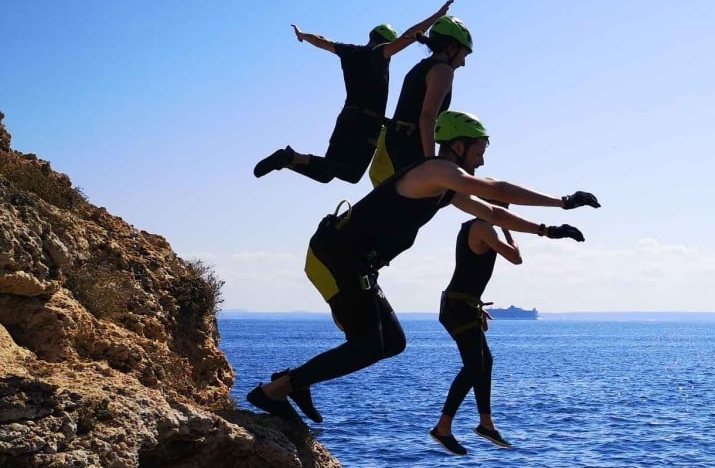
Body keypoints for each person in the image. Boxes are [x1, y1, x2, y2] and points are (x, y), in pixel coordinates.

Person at [245, 110, 600, 425]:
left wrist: (547, 230)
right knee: (370, 343)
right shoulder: (435, 170)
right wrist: (563, 202)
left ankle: (290, 383)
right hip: (335, 255)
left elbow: (491, 211)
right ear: (458, 145)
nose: (482, 158)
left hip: (356, 263)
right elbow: (497, 188)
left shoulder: (444, 186)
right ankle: (279, 389)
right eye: (479, 149)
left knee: (392, 341)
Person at [253, 0, 455, 184]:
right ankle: (292, 157)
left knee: (326, 174)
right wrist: (437, 16)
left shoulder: (350, 52)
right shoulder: (379, 54)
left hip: (347, 118)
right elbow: (409, 36)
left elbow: (322, 40)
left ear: (371, 35)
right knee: (351, 175)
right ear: (385, 42)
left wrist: (303, 35)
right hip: (365, 126)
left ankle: (288, 159)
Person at [427, 215, 523, 454]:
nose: (505, 210)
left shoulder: (484, 228)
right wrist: (507, 227)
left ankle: (485, 423)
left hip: (465, 305)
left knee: (484, 362)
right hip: (457, 307)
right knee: (473, 366)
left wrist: (477, 306)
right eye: (502, 207)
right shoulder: (481, 228)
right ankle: (443, 428)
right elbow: (515, 257)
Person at [370, 14, 472, 185]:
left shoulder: (420, 67)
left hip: (391, 142)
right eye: (464, 55)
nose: (463, 63)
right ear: (452, 47)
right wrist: (431, 162)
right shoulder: (443, 71)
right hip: (408, 147)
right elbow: (427, 117)